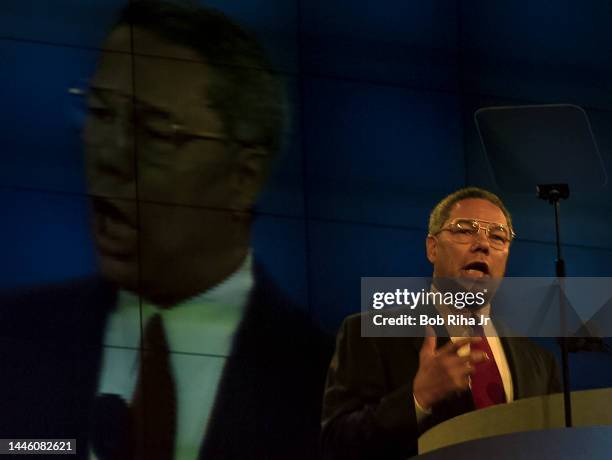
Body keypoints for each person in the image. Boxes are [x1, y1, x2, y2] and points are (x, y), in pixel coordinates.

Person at [0, 2, 332, 459]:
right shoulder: (13, 341)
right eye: (99, 113)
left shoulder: (328, 385)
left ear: (243, 177)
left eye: (152, 131)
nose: (108, 154)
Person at [320, 187, 561, 460]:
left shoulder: (539, 361)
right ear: (432, 248)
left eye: (498, 236)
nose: (482, 243)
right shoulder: (370, 334)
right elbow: (336, 445)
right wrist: (418, 397)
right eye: (465, 230)